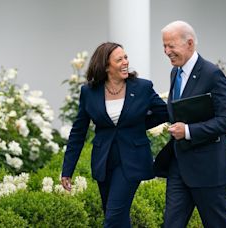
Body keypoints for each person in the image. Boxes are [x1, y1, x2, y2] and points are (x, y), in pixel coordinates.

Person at [61, 42, 168, 227]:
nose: (125, 62)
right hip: (104, 160)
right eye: (119, 59)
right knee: (117, 217)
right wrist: (67, 170)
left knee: (113, 217)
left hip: (132, 160)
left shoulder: (142, 87)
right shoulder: (89, 92)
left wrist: (137, 126)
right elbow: (78, 132)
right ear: (106, 66)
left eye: (125, 57)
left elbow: (164, 112)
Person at [155, 20, 226, 227]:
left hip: (208, 169)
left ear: (189, 43)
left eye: (171, 46)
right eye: (164, 46)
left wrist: (188, 131)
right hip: (178, 166)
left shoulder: (211, 73)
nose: (166, 51)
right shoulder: (175, 72)